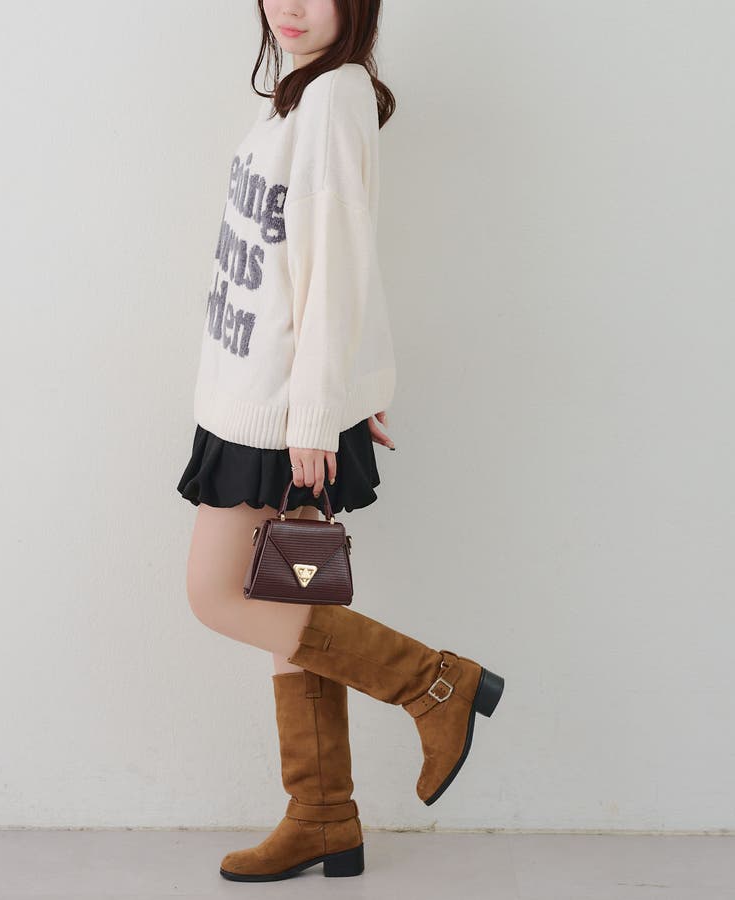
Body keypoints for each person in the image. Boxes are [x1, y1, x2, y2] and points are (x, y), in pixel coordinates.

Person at [176, 0, 505, 882]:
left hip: (282, 414)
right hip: (261, 395)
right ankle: (323, 815)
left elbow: (339, 262)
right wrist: (352, 390)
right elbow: (305, 263)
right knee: (288, 604)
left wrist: (321, 410)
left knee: (216, 594)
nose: (289, 5)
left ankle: (435, 683)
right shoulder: (296, 95)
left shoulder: (335, 95)